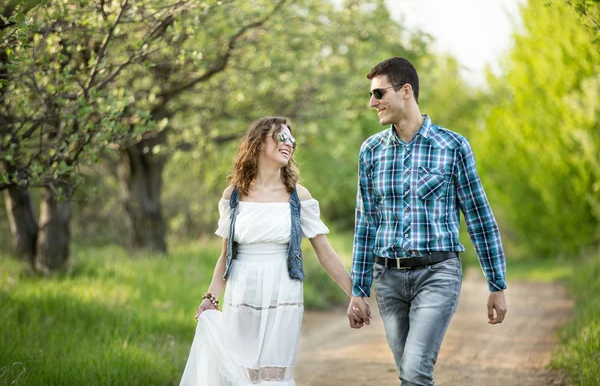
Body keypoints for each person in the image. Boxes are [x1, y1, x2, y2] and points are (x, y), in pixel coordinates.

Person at [346, 57, 508, 386]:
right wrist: (359, 290)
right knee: (410, 375)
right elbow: (365, 225)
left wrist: (497, 284)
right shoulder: (370, 152)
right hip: (387, 280)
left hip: (437, 274)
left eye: (378, 94)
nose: (371, 102)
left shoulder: (453, 146)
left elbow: (478, 216)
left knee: (415, 370)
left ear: (406, 91)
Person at [179, 115, 354, 386]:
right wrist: (211, 297)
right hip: (243, 291)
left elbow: (326, 253)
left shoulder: (299, 196)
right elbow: (226, 255)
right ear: (259, 143)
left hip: (283, 291)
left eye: (292, 140)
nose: (289, 144)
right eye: (282, 137)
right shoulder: (233, 196)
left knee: (274, 374)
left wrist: (355, 294)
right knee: (243, 373)